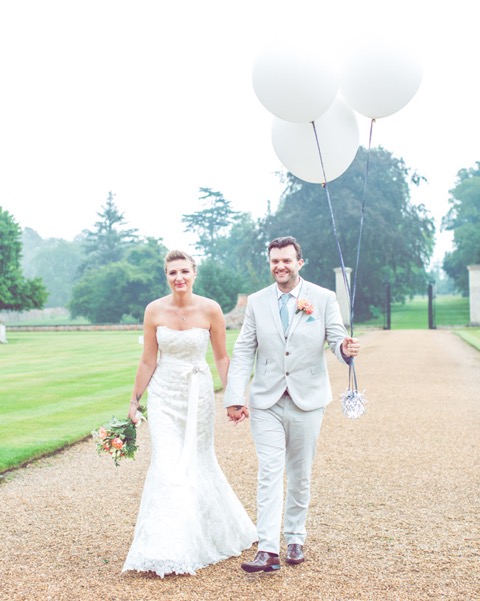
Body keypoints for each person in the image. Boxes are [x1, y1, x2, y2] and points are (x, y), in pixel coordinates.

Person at [223, 236, 360, 573]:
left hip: (307, 400)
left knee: (299, 473)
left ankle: (295, 537)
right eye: (275, 261)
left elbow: (336, 340)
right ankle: (268, 549)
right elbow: (244, 350)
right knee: (269, 472)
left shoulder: (323, 298)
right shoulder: (257, 302)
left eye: (286, 260)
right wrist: (235, 397)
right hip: (266, 400)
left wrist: (345, 350)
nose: (280, 266)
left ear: (300, 262)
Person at [122, 250, 257, 578]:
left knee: (198, 461)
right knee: (167, 464)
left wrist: (234, 398)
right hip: (164, 397)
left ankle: (204, 535)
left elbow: (222, 358)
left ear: (194, 273)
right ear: (166, 276)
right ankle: (166, 548)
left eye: (184, 271)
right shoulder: (154, 310)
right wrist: (134, 401)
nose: (179, 277)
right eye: (172, 272)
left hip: (198, 395)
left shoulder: (211, 309)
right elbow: (148, 360)